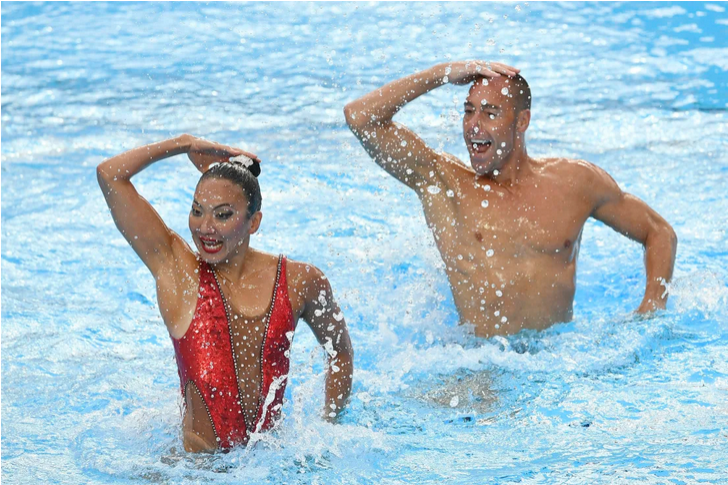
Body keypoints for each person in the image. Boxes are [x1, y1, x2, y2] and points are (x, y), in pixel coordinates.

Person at [344, 61, 677, 338]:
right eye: (468, 111)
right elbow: (360, 117)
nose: (473, 127)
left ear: (522, 121)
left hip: (559, 367)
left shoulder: (575, 183)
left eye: (489, 113)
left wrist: (652, 307)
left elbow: (659, 232)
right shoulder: (444, 183)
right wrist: (443, 73)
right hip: (481, 371)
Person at [97, 134, 353, 452]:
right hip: (193, 473)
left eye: (222, 214)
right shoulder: (180, 274)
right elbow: (110, 175)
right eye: (197, 210)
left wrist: (328, 427)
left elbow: (340, 352)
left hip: (268, 467)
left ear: (253, 222)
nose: (205, 227)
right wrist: (183, 143)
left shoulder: (300, 281)